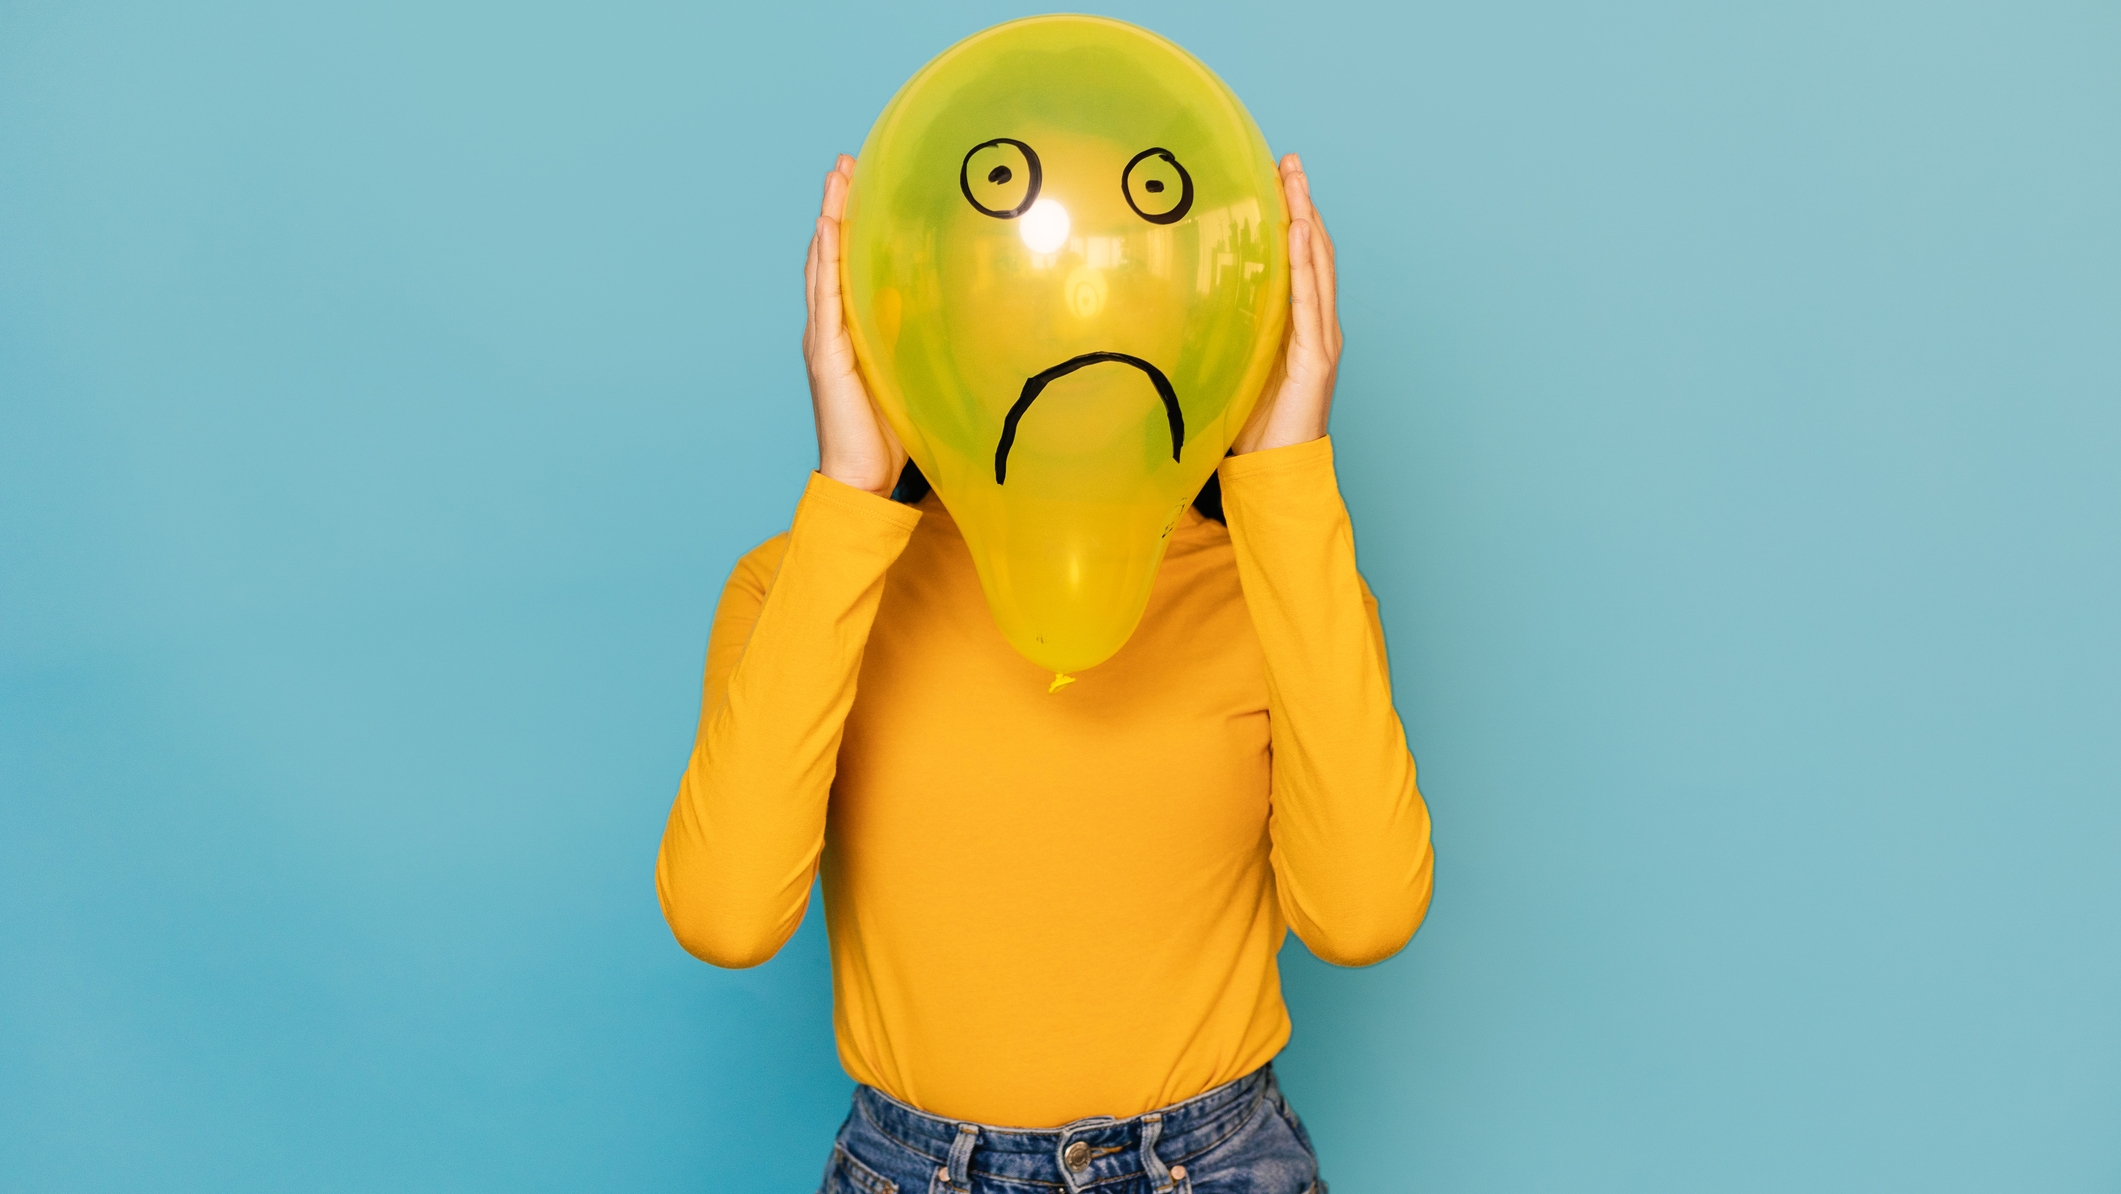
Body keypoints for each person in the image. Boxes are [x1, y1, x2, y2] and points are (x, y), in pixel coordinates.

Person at [657, 151, 1434, 1194]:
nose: (1071, 320)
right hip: (912, 1169)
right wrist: (850, 493)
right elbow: (725, 918)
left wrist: (1285, 481)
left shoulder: (1279, 588)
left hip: (1213, 1166)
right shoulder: (800, 585)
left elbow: (1364, 917)